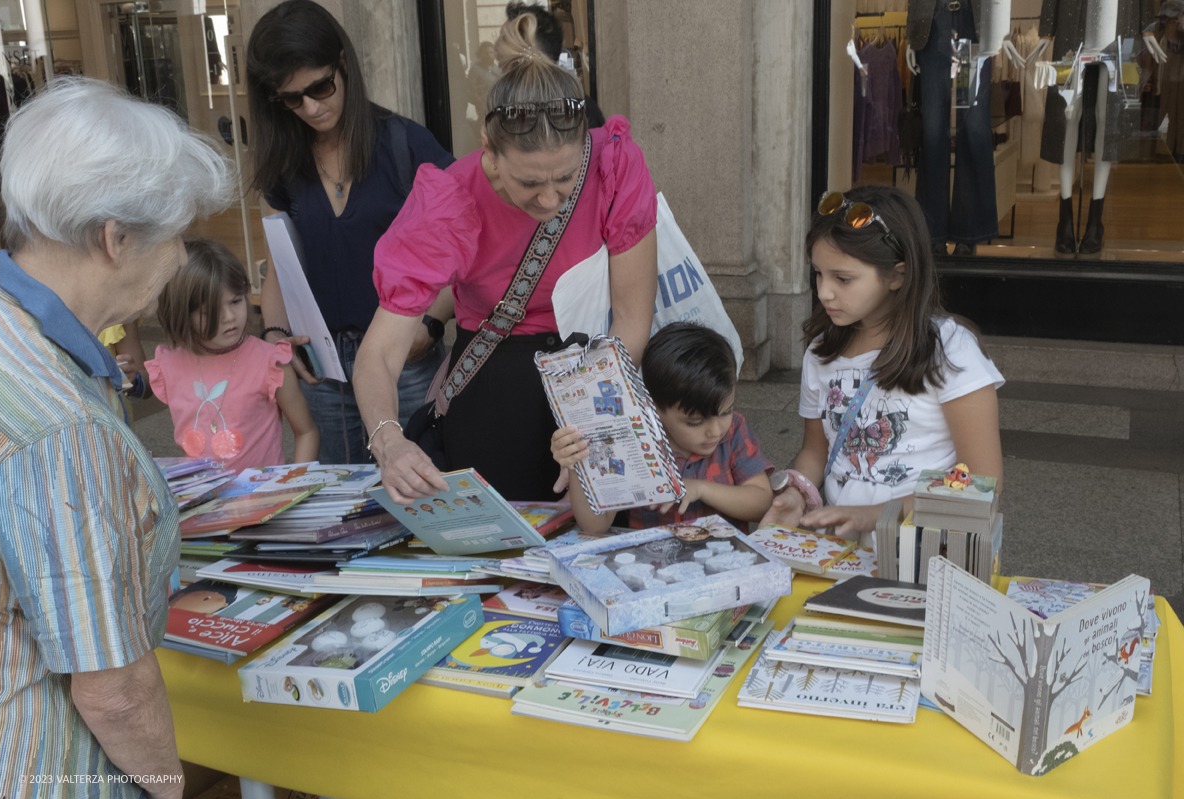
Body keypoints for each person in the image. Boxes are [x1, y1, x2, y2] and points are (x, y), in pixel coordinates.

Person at [0, 77, 230, 799]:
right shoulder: (63, 425)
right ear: (115, 239)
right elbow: (114, 686)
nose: (183, 258)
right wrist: (168, 786)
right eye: (176, 233)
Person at [357, 10, 658, 504]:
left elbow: (630, 319)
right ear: (489, 152)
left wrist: (592, 420)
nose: (549, 200)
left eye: (564, 180)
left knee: (597, 540)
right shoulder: (450, 199)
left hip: (596, 372)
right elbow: (380, 352)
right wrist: (389, 442)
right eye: (529, 183)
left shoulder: (614, 164)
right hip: (495, 387)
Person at [247, 0, 455, 463]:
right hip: (323, 366)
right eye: (292, 98)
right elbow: (282, 266)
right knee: (342, 507)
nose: (312, 107)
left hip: (405, 356)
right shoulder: (285, 162)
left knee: (421, 498)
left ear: (343, 62)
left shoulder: (406, 145)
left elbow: (464, 255)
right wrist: (276, 334)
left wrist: (431, 322)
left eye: (320, 86)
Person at [762, 185, 1004, 540]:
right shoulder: (820, 351)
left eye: (843, 278)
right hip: (840, 547)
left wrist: (875, 515)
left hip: (923, 551)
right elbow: (816, 451)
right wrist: (796, 494)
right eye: (818, 273)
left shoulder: (950, 350)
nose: (824, 291)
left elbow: (984, 482)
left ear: (897, 275)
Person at [552, 322, 774, 533]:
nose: (715, 430)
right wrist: (576, 462)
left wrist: (700, 489)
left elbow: (762, 503)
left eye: (725, 411)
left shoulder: (734, 432)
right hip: (652, 566)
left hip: (729, 563)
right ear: (653, 407)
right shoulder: (636, 442)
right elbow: (595, 525)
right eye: (694, 422)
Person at [146, 239, 319, 472]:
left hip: (264, 501)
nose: (229, 317)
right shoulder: (167, 364)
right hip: (203, 502)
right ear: (181, 313)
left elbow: (306, 431)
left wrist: (296, 486)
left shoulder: (271, 362)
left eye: (236, 301)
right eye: (211, 312)